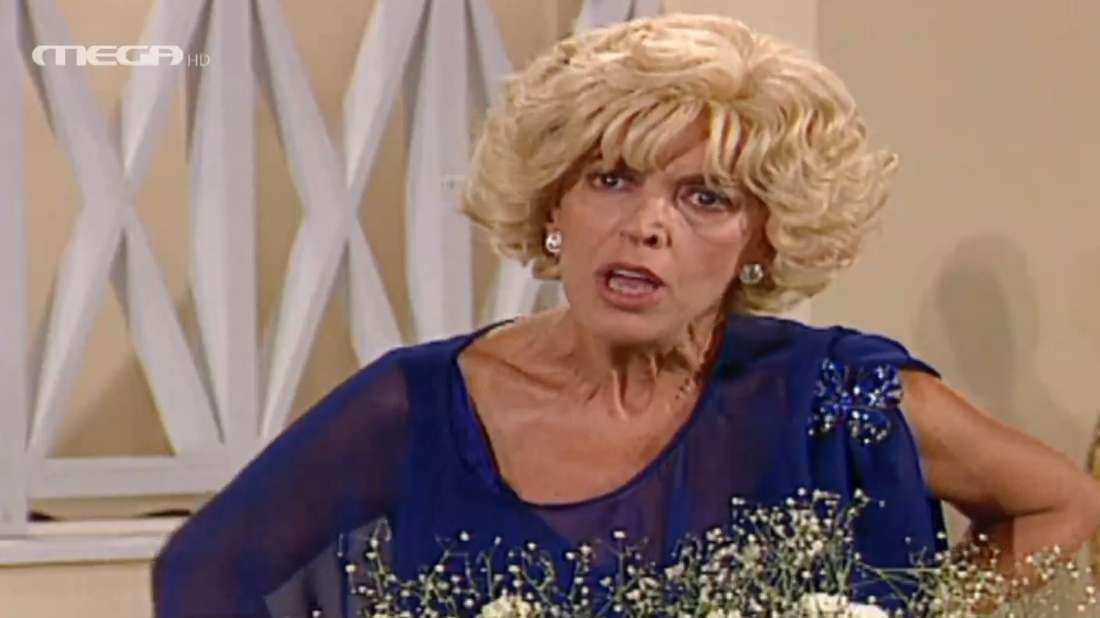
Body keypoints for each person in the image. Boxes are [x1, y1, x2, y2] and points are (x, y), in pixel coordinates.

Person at [152, 13, 1100, 617]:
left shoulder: (838, 399)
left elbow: (1061, 500)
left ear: (763, 239)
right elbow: (203, 575)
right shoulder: (417, 406)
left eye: (706, 198)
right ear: (552, 208)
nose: (647, 226)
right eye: (611, 179)